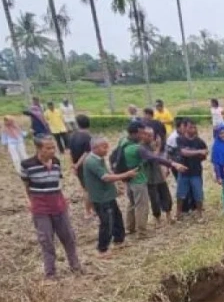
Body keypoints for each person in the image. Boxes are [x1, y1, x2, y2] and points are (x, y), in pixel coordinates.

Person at [20, 135, 81, 278]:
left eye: (53, 147)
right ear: (39, 149)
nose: (53, 150)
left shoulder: (56, 162)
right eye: (48, 148)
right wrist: (30, 201)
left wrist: (62, 198)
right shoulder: (27, 165)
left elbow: (57, 184)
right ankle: (50, 273)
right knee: (46, 240)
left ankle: (75, 266)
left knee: (68, 237)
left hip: (58, 205)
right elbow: (26, 186)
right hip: (40, 208)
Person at [117, 121, 186, 236]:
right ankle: (142, 232)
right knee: (141, 206)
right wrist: (173, 164)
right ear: (136, 132)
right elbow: (155, 158)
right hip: (138, 179)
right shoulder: (137, 148)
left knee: (132, 203)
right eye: (141, 133)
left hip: (128, 178)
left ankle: (130, 227)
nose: (142, 135)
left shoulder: (123, 141)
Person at [82, 136, 137, 257]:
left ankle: (119, 240)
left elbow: (108, 174)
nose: (107, 149)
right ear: (95, 148)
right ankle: (102, 249)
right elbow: (105, 177)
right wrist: (126, 174)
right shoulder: (91, 161)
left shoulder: (99, 159)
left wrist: (117, 186)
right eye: (104, 147)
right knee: (107, 222)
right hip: (101, 197)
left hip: (108, 195)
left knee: (117, 217)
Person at [175, 119, 208, 220]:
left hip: (196, 172)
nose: (193, 129)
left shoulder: (200, 141)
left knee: (198, 194)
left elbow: (205, 153)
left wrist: (199, 154)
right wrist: (198, 152)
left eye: (194, 127)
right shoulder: (179, 139)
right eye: (190, 127)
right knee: (181, 194)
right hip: (183, 172)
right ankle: (178, 213)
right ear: (185, 128)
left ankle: (199, 213)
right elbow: (183, 152)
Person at [142, 126, 174, 225]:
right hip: (149, 177)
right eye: (148, 135)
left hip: (159, 175)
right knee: (154, 199)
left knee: (166, 195)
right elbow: (153, 158)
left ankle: (169, 215)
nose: (150, 137)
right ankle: (157, 218)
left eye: (151, 135)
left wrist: (165, 170)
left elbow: (160, 159)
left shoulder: (152, 145)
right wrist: (158, 148)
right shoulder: (141, 148)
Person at [68, 114, 94, 218]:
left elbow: (69, 152)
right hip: (85, 165)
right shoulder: (88, 137)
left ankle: (92, 209)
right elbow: (87, 153)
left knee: (86, 188)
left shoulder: (72, 135)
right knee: (89, 189)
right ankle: (88, 212)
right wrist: (78, 164)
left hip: (77, 166)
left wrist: (73, 165)